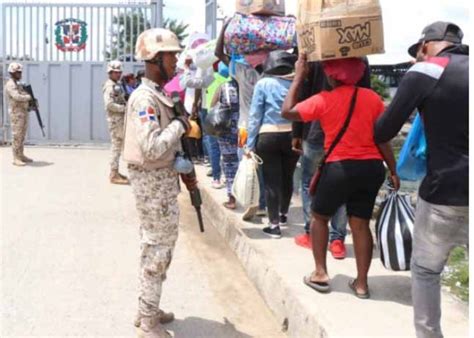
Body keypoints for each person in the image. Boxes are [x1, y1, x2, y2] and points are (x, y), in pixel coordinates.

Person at [374, 22, 468, 338]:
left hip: (445, 192)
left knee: (426, 270)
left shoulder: (426, 71)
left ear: (426, 45)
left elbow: (383, 131)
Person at [282, 55, 399, 298]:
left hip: (339, 168)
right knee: (360, 224)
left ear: (331, 75)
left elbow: (287, 112)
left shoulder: (324, 100)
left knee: (319, 217)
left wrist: (299, 78)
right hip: (371, 168)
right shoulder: (373, 98)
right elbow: (383, 138)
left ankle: (320, 273)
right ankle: (362, 284)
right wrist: (394, 170)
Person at [123, 28, 196, 338]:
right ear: (155, 58)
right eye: (172, 55)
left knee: (157, 247)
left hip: (161, 180)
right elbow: (152, 147)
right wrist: (181, 124)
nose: (177, 60)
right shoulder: (144, 99)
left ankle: (146, 309)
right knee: (158, 249)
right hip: (153, 182)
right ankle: (148, 322)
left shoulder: (157, 94)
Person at [292, 58, 372, 257]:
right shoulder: (360, 56)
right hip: (349, 135)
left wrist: (297, 133)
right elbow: (366, 91)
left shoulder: (315, 55)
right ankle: (337, 240)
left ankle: (311, 234)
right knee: (344, 187)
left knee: (309, 182)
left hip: (316, 129)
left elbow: (302, 93)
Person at [215, 20, 267, 220]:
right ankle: (266, 205)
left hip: (245, 127)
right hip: (267, 125)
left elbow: (219, 54)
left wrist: (224, 27)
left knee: (246, 165)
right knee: (265, 166)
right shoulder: (268, 72)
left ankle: (250, 201)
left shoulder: (239, 71)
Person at [247, 51, 300, 238]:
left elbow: (255, 116)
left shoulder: (263, 84)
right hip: (293, 135)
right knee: (288, 177)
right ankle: (284, 214)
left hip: (268, 135)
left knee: (271, 181)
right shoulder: (297, 84)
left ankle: (274, 225)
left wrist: (249, 143)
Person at [180, 52, 223, 188]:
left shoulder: (209, 74)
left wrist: (186, 68)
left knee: (213, 143)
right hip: (224, 110)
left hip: (210, 110)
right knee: (224, 145)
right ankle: (224, 173)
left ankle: (217, 176)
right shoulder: (229, 74)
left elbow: (192, 83)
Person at [210, 62, 240, 209]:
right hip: (244, 130)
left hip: (227, 130)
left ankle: (232, 198)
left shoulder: (223, 87)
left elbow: (212, 105)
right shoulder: (248, 86)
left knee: (229, 164)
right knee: (247, 164)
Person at [103, 60, 129, 185]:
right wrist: (125, 109)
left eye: (119, 72)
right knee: (116, 146)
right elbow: (109, 104)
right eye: (116, 72)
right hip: (115, 120)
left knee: (118, 146)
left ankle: (115, 172)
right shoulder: (110, 86)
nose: (118, 74)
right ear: (110, 72)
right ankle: (113, 174)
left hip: (119, 120)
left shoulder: (116, 84)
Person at [4, 62, 33, 166]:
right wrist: (28, 97)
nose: (20, 74)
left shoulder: (18, 84)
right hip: (16, 114)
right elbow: (17, 96)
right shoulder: (10, 84)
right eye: (18, 72)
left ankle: (21, 155)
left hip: (23, 112)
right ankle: (15, 158)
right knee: (17, 135)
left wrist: (32, 101)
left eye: (20, 72)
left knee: (22, 135)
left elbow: (23, 93)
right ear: (12, 73)